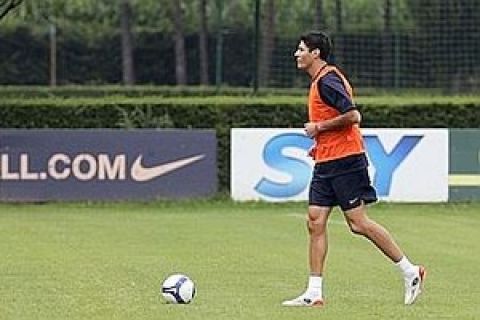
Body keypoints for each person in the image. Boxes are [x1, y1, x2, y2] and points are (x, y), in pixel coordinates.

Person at [282, 31, 426, 307]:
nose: (296, 54)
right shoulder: (318, 81)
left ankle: (410, 272)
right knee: (314, 221)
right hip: (327, 160)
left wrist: (318, 128)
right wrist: (321, 142)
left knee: (358, 224)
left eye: (301, 49)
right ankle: (314, 292)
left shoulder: (328, 80)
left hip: (346, 161)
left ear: (316, 54)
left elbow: (353, 115)